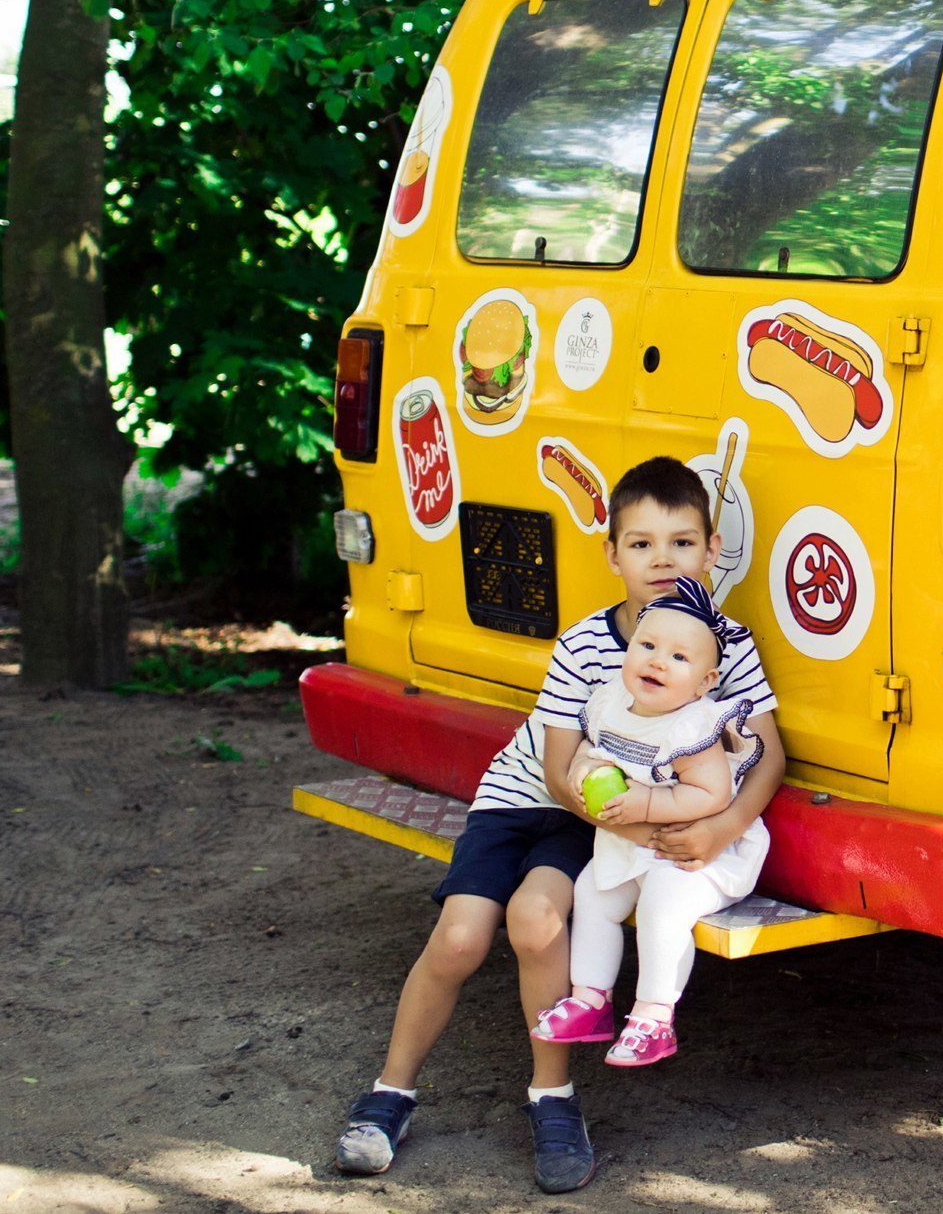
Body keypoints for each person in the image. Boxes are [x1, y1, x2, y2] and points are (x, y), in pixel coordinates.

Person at [333, 457, 784, 1193]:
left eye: (681, 542)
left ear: (710, 551)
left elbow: (768, 753)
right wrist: (639, 828)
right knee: (458, 935)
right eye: (640, 543)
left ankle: (553, 1097)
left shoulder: (725, 647)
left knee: (536, 919)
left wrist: (723, 824)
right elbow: (556, 771)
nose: (661, 559)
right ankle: (390, 1092)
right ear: (611, 554)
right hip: (543, 799)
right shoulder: (586, 643)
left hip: (608, 816)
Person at [532, 582, 770, 1067]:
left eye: (679, 658)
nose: (658, 661)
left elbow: (712, 794)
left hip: (698, 851)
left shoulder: (693, 727)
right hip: (632, 845)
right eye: (648, 646)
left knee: (664, 908)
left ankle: (653, 1017)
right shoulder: (609, 704)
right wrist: (582, 774)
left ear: (704, 683)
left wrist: (643, 803)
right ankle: (590, 1000)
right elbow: (585, 751)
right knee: (591, 894)